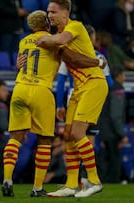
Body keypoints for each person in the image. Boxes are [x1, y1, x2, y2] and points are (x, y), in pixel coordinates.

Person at [35, 0, 108, 197]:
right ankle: (71, 184)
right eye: (48, 12)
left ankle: (94, 181)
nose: (49, 15)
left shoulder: (74, 26)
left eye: (53, 12)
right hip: (78, 88)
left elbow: (63, 47)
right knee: (67, 134)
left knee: (77, 133)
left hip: (94, 83)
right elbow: (68, 58)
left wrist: (45, 41)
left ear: (66, 12)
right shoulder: (56, 37)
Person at [1, 10, 60, 197]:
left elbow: (21, 63)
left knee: (15, 137)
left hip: (19, 89)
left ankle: (7, 179)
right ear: (47, 24)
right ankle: (37, 188)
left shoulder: (23, 41)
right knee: (44, 140)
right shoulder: (52, 40)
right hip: (40, 90)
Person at [98, 65, 129, 183]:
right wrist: (122, 133)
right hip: (112, 132)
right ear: (119, 76)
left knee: (106, 159)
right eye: (124, 74)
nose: (125, 77)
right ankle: (113, 182)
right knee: (114, 160)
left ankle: (103, 182)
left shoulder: (108, 88)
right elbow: (116, 115)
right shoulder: (118, 89)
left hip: (105, 130)